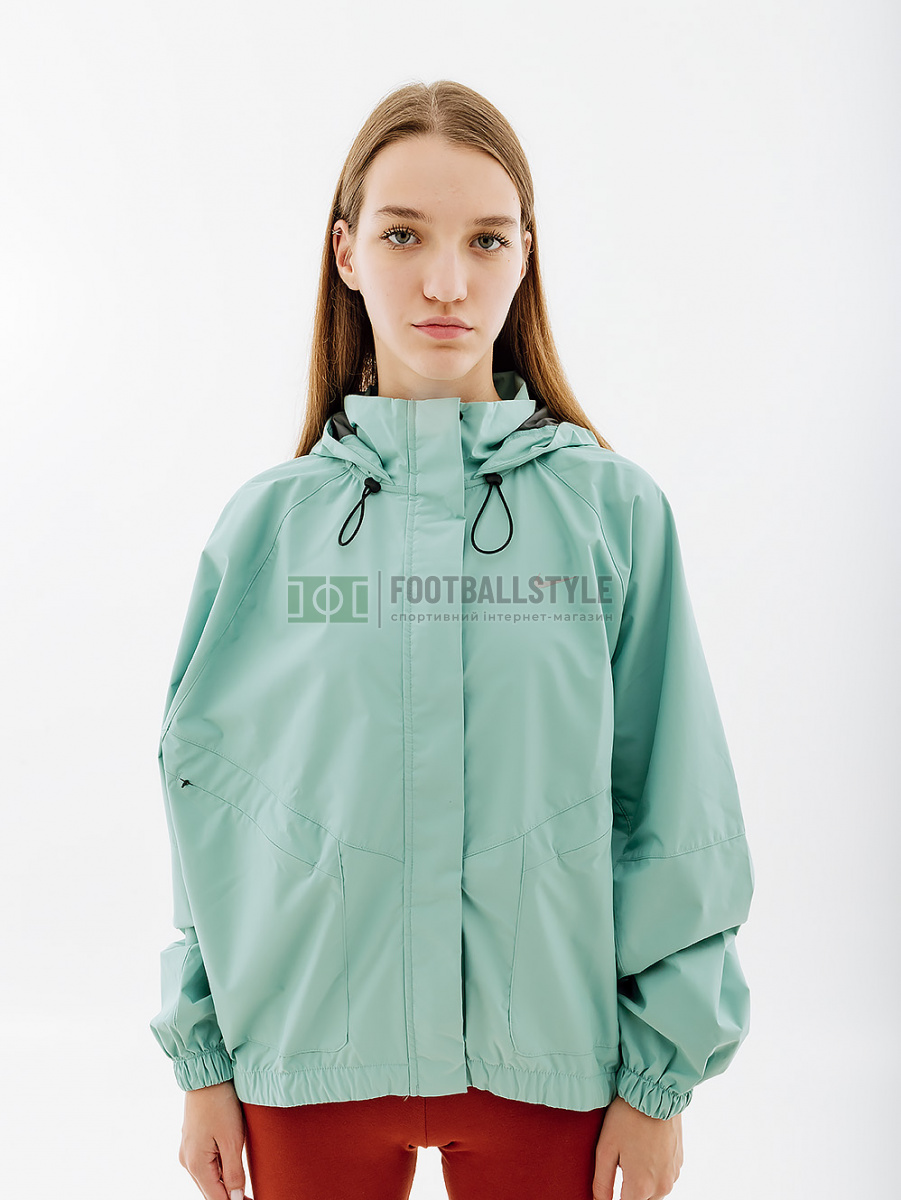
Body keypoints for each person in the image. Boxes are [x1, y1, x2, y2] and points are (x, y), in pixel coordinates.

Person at [149, 79, 754, 1200]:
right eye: (402, 235)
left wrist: (660, 1079)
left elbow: (675, 804)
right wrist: (203, 1059)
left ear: (526, 255)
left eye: (484, 239)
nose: (445, 281)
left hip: (555, 1067)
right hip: (306, 1061)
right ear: (344, 251)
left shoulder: (612, 515)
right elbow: (209, 803)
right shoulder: (268, 528)